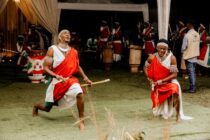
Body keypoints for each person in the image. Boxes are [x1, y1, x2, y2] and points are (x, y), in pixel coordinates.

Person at [32, 29, 92, 130]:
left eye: (69, 33)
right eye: (65, 33)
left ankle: (81, 121)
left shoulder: (74, 51)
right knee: (47, 108)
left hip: (70, 80)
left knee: (80, 93)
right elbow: (45, 67)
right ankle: (36, 106)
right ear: (59, 37)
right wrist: (56, 75)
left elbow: (77, 66)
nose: (68, 35)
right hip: (57, 82)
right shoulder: (52, 49)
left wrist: (86, 78)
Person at [144, 39, 192, 121]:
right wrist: (149, 78)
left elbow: (174, 74)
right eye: (160, 48)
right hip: (157, 83)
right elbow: (145, 67)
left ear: (167, 49)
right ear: (157, 48)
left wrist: (162, 81)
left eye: (164, 49)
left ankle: (178, 115)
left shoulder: (172, 58)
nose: (162, 50)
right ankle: (163, 110)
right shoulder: (152, 57)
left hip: (170, 81)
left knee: (175, 90)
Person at [181, 20, 200, 93]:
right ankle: (192, 87)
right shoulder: (197, 34)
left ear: (189, 25)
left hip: (189, 56)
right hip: (195, 55)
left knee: (191, 73)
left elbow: (183, 47)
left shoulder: (187, 35)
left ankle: (192, 88)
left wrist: (182, 52)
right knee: (193, 72)